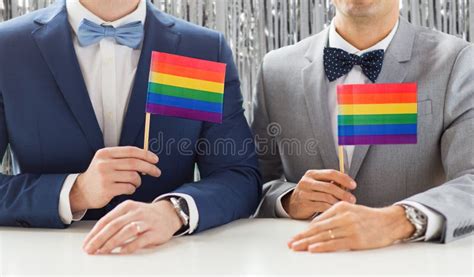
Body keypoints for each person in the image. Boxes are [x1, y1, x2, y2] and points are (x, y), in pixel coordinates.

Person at [0, 0, 261, 255]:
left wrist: (174, 212)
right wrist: (73, 192)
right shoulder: (8, 49)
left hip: (166, 257)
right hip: (44, 260)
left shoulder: (199, 50)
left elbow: (238, 175)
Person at [252, 0, 473, 253]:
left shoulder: (455, 61)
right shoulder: (276, 69)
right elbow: (251, 180)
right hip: (307, 259)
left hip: (411, 262)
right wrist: (288, 200)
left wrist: (398, 221)